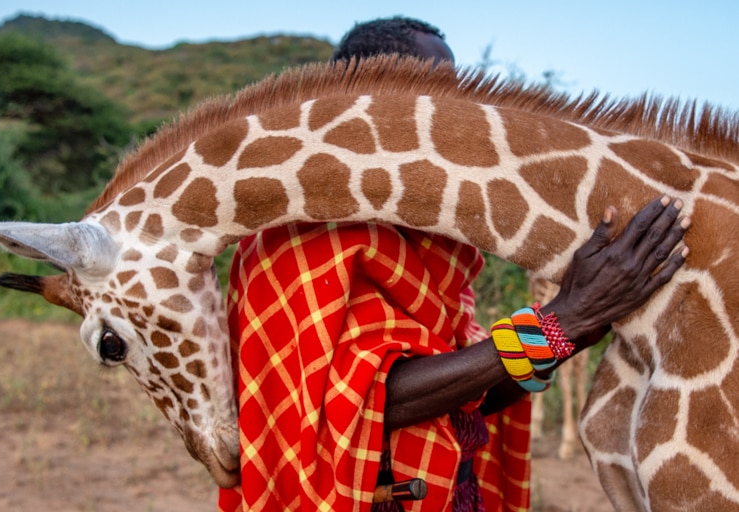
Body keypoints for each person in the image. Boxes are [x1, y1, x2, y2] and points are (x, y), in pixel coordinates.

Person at [217, 16, 690, 512]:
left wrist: (577, 330)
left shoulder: (435, 245)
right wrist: (560, 321)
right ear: (365, 96)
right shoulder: (293, 239)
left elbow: (472, 395)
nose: (452, 111)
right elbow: (374, 398)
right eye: (434, 89)